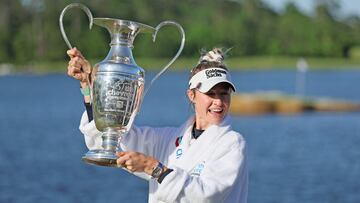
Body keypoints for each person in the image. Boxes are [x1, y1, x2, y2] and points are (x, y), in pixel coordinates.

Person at [67, 47, 248, 203]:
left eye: (224, 94)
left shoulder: (232, 143)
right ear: (191, 95)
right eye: (211, 93)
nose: (218, 102)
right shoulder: (169, 139)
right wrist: (89, 87)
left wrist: (154, 168)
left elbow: (206, 195)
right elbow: (110, 141)